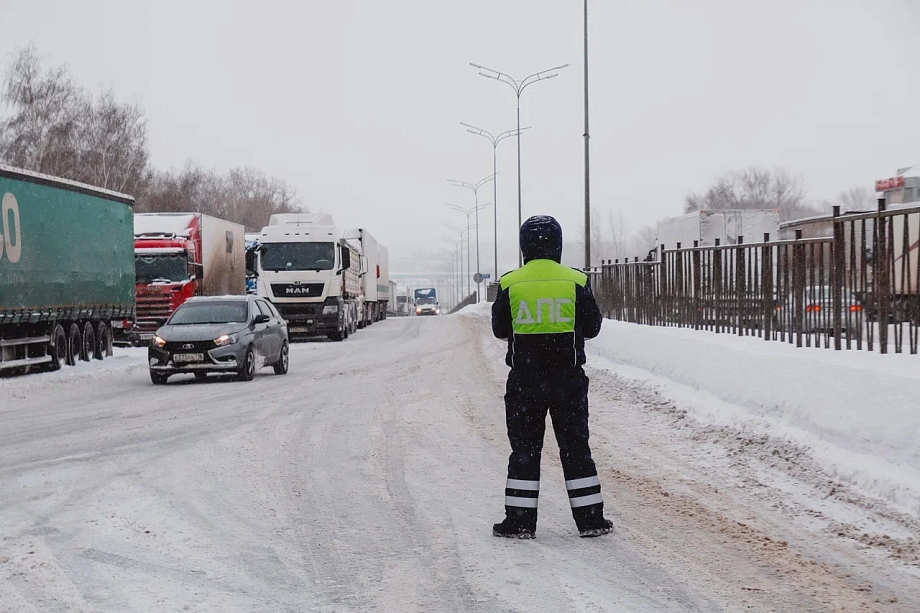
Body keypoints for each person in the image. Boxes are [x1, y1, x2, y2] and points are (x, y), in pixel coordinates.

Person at [491, 215, 613, 539]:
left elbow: (500, 329)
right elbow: (593, 326)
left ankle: (519, 522)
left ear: (524, 247)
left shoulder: (509, 283)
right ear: (558, 245)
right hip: (568, 381)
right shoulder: (575, 280)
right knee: (576, 449)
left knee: (524, 452)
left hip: (524, 383)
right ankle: (591, 521)